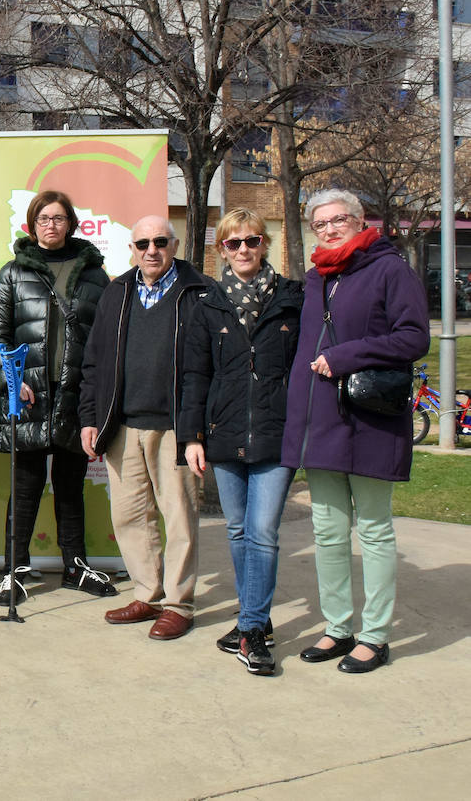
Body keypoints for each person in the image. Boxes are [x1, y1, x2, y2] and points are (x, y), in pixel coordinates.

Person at [281, 189, 428, 674]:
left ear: (360, 220)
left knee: (375, 530)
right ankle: (338, 627)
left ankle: (375, 635)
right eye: (319, 223)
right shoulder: (315, 278)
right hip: (321, 420)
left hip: (370, 419)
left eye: (337, 220)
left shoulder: (390, 269)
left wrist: (346, 357)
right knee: (327, 531)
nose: (328, 229)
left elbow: (413, 337)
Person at [180, 208, 304, 675]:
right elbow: (195, 375)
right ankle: (258, 617)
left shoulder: (294, 298)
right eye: (233, 243)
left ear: (264, 244)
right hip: (223, 433)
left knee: (263, 533)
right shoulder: (207, 304)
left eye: (251, 241)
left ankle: (251, 629)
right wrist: (192, 437)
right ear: (221, 250)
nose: (244, 250)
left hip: (276, 433)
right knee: (237, 531)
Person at [79, 215, 210, 640]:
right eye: (142, 244)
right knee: (130, 517)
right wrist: (89, 418)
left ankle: (178, 603)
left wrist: (197, 429)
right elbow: (94, 360)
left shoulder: (198, 292)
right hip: (123, 425)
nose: (150, 250)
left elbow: (208, 366)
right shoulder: (116, 291)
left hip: (175, 425)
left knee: (180, 519)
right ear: (131, 250)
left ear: (173, 245)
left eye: (159, 242)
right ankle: (148, 594)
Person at [0, 190, 116, 603]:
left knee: (69, 484)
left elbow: (105, 339)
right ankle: (14, 570)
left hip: (76, 395)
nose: (51, 224)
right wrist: (13, 376)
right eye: (43, 217)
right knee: (24, 486)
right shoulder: (11, 274)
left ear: (71, 224)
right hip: (28, 395)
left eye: (59, 218)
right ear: (31, 223)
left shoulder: (96, 275)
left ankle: (75, 567)